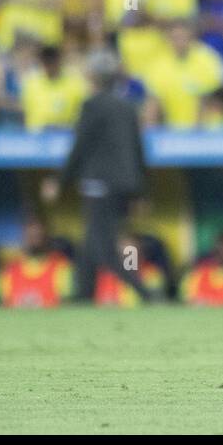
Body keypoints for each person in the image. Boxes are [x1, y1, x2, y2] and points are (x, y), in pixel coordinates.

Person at [40, 50, 154, 302]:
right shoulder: (127, 107)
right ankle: (83, 294)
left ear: (91, 76)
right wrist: (141, 191)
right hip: (123, 184)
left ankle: (145, 293)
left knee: (103, 249)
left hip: (98, 183)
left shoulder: (91, 106)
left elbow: (80, 147)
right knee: (91, 242)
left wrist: (59, 181)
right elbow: (138, 150)